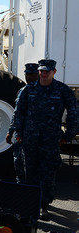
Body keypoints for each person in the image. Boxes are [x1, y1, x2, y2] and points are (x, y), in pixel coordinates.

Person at [12, 59, 78, 221]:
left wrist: (69, 134)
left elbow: (73, 112)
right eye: (41, 71)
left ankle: (44, 206)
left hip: (50, 140)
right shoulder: (29, 90)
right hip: (29, 139)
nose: (43, 73)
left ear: (54, 72)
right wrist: (18, 131)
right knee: (29, 173)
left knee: (47, 173)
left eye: (47, 71)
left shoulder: (62, 90)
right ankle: (29, 205)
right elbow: (19, 112)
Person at [6, 63, 40, 183]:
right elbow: (16, 113)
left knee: (34, 168)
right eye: (27, 74)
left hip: (36, 136)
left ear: (38, 75)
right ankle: (22, 191)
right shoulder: (22, 90)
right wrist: (10, 131)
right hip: (20, 135)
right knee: (18, 163)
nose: (29, 77)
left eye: (32, 74)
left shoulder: (44, 92)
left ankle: (37, 196)